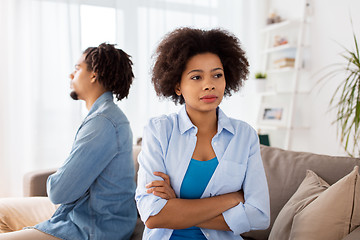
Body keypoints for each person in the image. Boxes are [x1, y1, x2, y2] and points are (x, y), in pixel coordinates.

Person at [135, 28, 270, 240]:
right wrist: (232, 199)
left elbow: (259, 215)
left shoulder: (245, 136)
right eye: (196, 77)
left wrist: (176, 209)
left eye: (217, 75)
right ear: (178, 85)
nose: (209, 85)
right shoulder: (159, 131)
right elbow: (152, 215)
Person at [0, 43, 137, 240]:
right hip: (80, 212)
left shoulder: (103, 122)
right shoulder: (103, 115)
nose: (71, 75)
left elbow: (58, 191)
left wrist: (61, 178)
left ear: (94, 74)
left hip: (92, 227)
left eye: (77, 68)